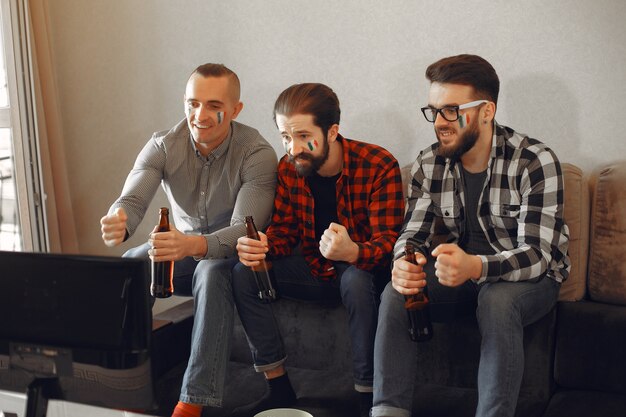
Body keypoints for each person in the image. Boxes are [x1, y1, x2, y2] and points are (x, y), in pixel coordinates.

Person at [372, 54, 570, 417]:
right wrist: (403, 261)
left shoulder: (534, 161)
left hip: (529, 280)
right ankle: (387, 411)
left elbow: (538, 256)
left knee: (497, 300)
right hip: (459, 274)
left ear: (486, 111)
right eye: (434, 111)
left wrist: (476, 266)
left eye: (451, 110)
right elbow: (411, 233)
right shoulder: (428, 163)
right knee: (395, 292)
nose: (440, 123)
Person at [99, 63, 277, 417]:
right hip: (183, 254)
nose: (201, 115)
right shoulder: (164, 145)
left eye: (214, 106)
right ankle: (116, 385)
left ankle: (193, 402)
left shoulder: (256, 152)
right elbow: (133, 199)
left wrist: (193, 245)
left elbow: (245, 228)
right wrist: (119, 218)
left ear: (236, 109)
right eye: (193, 103)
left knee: (211, 271)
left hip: (234, 257)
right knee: (133, 261)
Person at [232, 83, 405, 417]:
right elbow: (284, 230)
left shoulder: (378, 164)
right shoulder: (288, 168)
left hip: (363, 271)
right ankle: (278, 387)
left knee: (354, 280)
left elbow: (389, 244)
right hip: (314, 269)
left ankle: (366, 396)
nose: (293, 148)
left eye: (303, 136)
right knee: (244, 272)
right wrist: (265, 246)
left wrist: (353, 251)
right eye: (285, 137)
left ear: (333, 131)